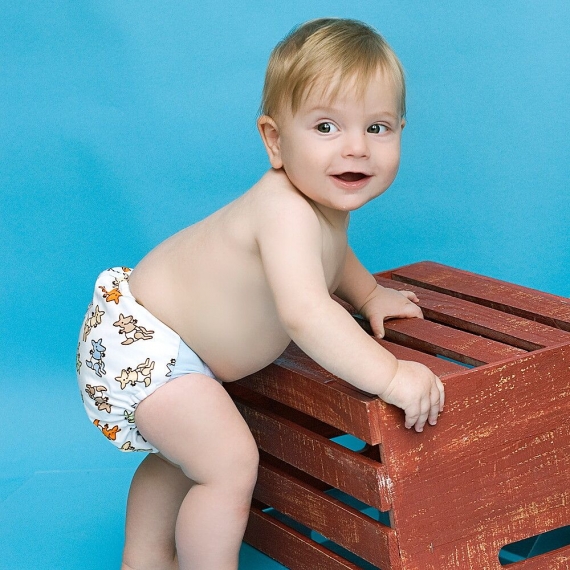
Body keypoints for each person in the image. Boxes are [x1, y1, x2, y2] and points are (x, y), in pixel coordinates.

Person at [76, 17, 445, 570]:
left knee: (182, 460)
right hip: (146, 343)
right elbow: (307, 314)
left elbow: (333, 256)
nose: (356, 148)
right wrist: (391, 377)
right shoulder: (284, 210)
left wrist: (368, 294)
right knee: (228, 464)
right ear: (274, 140)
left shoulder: (319, 207)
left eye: (377, 127)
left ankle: (144, 559)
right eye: (326, 127)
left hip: (165, 343)